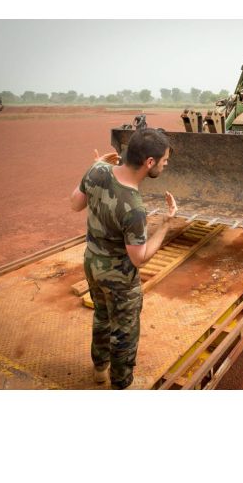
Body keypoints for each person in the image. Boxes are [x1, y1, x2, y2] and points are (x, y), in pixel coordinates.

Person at [70, 128, 177, 389]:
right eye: (164, 161)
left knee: (102, 317)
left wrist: (93, 168)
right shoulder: (134, 208)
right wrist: (165, 224)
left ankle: (99, 369)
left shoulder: (96, 170)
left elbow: (75, 204)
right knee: (124, 333)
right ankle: (120, 384)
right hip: (119, 279)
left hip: (92, 264)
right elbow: (139, 258)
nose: (165, 165)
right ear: (149, 162)